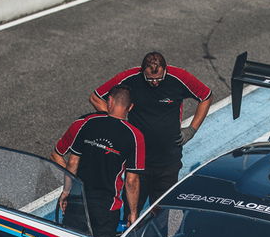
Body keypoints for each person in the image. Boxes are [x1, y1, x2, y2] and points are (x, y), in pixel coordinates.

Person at [90, 51, 212, 209]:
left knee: (163, 212)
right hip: (138, 160)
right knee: (132, 211)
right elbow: (96, 97)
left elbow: (206, 96)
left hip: (169, 160)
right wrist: (117, 123)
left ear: (165, 70)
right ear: (142, 72)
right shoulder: (130, 78)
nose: (155, 82)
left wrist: (192, 129)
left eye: (159, 78)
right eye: (150, 79)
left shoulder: (179, 77)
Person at [52, 85, 145, 237]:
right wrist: (133, 212)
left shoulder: (89, 123)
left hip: (78, 200)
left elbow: (73, 162)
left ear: (109, 101)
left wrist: (67, 192)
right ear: (130, 107)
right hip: (106, 208)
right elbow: (131, 181)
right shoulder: (135, 136)